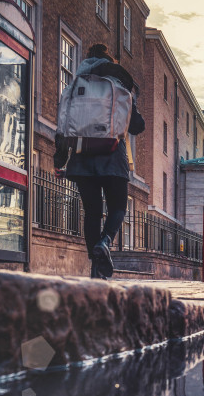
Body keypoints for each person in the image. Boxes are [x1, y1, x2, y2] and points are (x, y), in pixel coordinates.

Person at [56, 43, 145, 279]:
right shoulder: (117, 85)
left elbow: (63, 124)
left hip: (81, 158)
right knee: (118, 208)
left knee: (92, 213)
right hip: (113, 157)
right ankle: (105, 242)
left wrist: (60, 159)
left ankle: (95, 270)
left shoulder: (74, 85)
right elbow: (137, 126)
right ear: (108, 63)